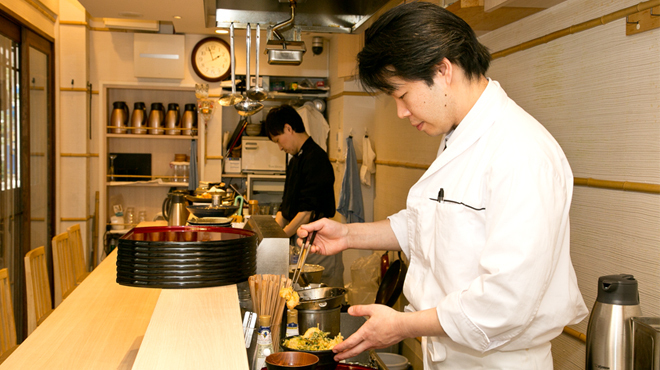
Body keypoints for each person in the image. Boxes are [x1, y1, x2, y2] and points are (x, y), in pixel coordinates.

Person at [296, 2, 588, 369]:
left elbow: (506, 300)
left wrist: (401, 325)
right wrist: (349, 235)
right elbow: (428, 223)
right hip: (451, 354)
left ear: (442, 69)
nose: (401, 112)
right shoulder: (459, 136)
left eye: (402, 95)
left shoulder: (521, 152)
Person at [264, 105, 344, 288]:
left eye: (278, 140)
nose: (279, 147)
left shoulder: (316, 159)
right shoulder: (295, 160)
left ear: (288, 128)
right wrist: (270, 238)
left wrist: (278, 241)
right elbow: (285, 209)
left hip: (319, 244)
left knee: (320, 297)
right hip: (301, 242)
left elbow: (306, 214)